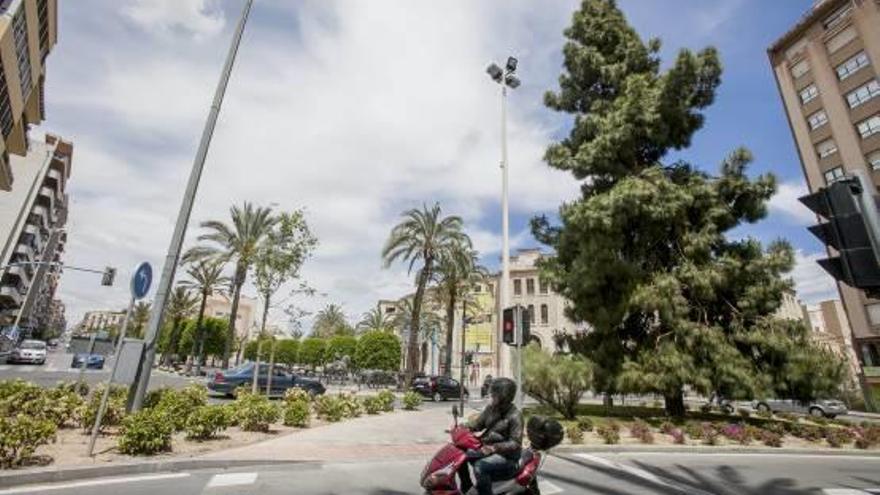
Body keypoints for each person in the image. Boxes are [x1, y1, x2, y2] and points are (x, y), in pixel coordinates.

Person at [458, 377, 523, 495]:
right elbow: (477, 424)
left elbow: (515, 443)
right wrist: (462, 427)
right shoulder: (491, 409)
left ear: (503, 397)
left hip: (507, 457)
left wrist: (494, 448)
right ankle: (466, 486)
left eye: (494, 394)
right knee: (459, 455)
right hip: (486, 449)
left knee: (480, 466)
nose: (491, 396)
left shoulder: (515, 416)